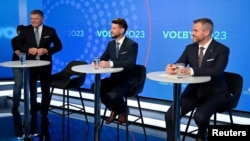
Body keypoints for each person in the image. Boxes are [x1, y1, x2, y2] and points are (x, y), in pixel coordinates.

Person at [165, 18, 230, 141]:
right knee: (170, 115)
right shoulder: (190, 48)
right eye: (192, 30)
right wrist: (172, 67)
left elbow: (216, 71)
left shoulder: (222, 50)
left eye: (195, 30)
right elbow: (181, 63)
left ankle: (202, 135)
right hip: (194, 92)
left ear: (206, 32)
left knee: (199, 117)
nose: (192, 33)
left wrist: (191, 71)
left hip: (214, 93)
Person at [15, 9, 62, 125]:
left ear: (42, 19)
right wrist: (27, 50)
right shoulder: (25, 30)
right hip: (30, 64)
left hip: (45, 64)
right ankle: (32, 110)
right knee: (31, 88)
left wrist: (47, 51)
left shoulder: (50, 30)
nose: (33, 21)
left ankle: (44, 114)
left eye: (36, 19)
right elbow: (17, 43)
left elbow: (59, 46)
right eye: (31, 18)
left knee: (46, 89)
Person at [93, 18, 139, 124]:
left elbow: (130, 64)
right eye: (111, 28)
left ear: (122, 30)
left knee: (114, 95)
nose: (111, 30)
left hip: (128, 79)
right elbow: (103, 57)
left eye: (114, 28)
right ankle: (118, 109)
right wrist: (96, 62)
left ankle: (121, 111)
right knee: (95, 87)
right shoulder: (111, 44)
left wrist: (110, 64)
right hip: (115, 78)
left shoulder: (132, 45)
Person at [11, 24, 25, 137]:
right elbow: (18, 53)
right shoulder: (14, 40)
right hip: (17, 64)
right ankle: (15, 106)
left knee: (32, 84)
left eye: (23, 31)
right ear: (17, 32)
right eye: (19, 31)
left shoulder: (29, 40)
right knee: (18, 84)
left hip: (30, 65)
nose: (21, 33)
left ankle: (33, 104)